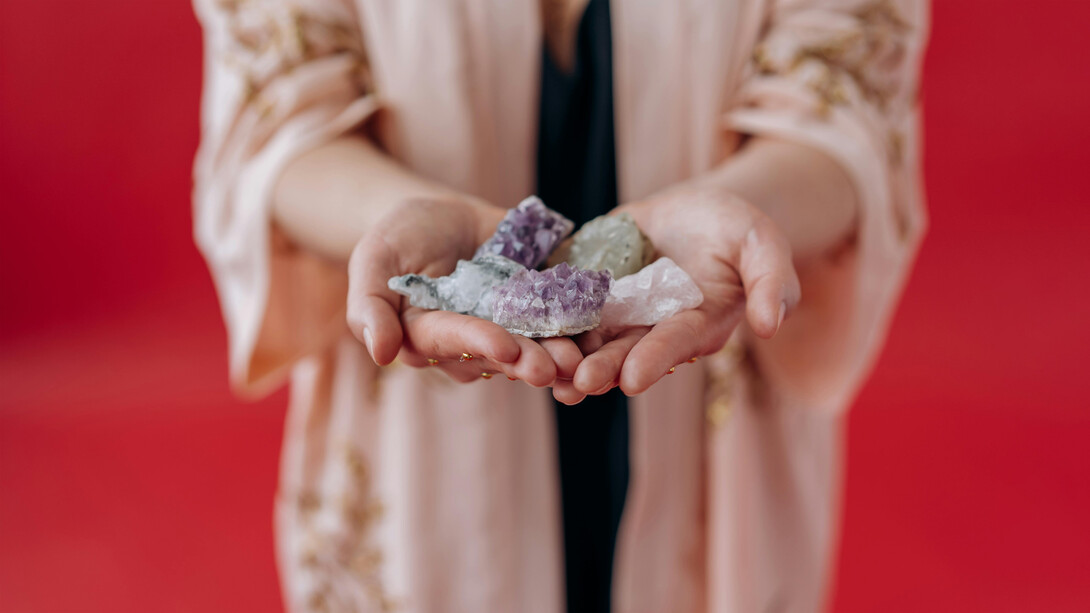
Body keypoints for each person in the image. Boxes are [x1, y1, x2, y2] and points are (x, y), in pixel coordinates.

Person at [193, 0, 927, 611]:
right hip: (421, 443)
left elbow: (852, 98)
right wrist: (398, 222)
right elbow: (270, 112)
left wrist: (746, 215)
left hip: (704, 388)